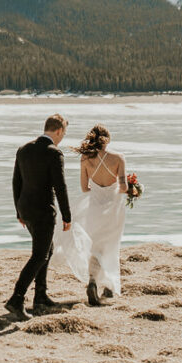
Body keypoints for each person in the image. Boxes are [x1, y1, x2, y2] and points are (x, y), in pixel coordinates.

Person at [6, 114, 71, 321]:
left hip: (26, 209)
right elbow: (60, 187)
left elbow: (16, 182)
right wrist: (67, 215)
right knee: (40, 255)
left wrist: (18, 211)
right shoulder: (54, 153)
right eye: (64, 133)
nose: (63, 137)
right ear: (59, 131)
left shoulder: (23, 149)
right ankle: (17, 298)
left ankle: (40, 295)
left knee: (46, 250)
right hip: (43, 210)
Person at [72, 124, 128, 306]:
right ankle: (109, 286)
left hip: (94, 209)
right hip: (112, 210)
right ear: (108, 139)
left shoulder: (85, 159)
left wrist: (98, 190)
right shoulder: (118, 158)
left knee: (95, 247)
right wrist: (132, 191)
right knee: (111, 246)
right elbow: (124, 187)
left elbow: (84, 188)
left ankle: (93, 281)